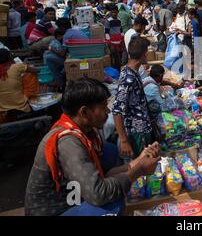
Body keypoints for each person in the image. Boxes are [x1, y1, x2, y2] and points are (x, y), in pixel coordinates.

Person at [24, 78, 161, 216]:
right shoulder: (68, 143)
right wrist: (139, 170)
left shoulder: (86, 131)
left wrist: (138, 161)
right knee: (113, 204)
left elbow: (104, 174)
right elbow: (98, 194)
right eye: (103, 107)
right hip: (57, 209)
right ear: (84, 112)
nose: (108, 111)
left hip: (74, 196)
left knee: (110, 151)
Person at [113, 37, 161, 161]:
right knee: (141, 166)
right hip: (136, 133)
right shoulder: (128, 78)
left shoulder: (133, 72)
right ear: (144, 54)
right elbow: (117, 110)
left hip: (142, 130)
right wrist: (124, 140)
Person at [0, 49, 39, 120]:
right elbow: (36, 70)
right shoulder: (17, 66)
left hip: (2, 113)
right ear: (9, 58)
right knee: (29, 75)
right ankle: (29, 95)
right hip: (22, 108)